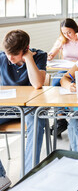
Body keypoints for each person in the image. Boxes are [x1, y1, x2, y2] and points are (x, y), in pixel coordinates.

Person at [0, 30, 47, 174]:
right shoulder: (2, 58)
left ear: (26, 49)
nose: (10, 58)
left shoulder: (39, 56)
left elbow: (38, 84)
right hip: (6, 107)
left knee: (37, 123)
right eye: (8, 53)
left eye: (15, 54)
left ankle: (26, 176)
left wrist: (28, 59)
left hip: (29, 107)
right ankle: (1, 177)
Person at [48, 18, 78, 136]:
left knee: (70, 84)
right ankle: (60, 117)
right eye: (64, 32)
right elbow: (52, 53)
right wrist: (51, 55)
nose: (67, 35)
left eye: (69, 32)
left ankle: (69, 115)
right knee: (54, 83)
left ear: (75, 30)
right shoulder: (62, 40)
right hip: (65, 69)